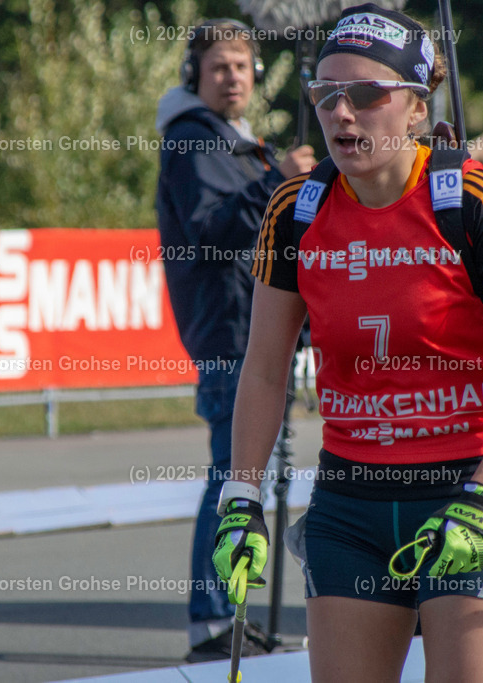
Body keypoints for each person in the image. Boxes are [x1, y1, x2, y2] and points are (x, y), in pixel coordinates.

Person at [211, 4, 483, 680]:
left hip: (468, 491)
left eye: (368, 94)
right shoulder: (296, 211)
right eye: (326, 94)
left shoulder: (474, 202)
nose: (342, 113)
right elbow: (264, 370)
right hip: (351, 505)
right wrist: (241, 498)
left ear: (416, 108)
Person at [154, 18, 316, 662]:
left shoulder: (236, 141)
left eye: (243, 66)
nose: (233, 77)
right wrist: (276, 180)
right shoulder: (194, 139)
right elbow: (211, 230)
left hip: (251, 333)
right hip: (230, 335)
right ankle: (215, 621)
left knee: (242, 474)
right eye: (219, 66)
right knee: (233, 477)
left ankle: (228, 618)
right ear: (194, 74)